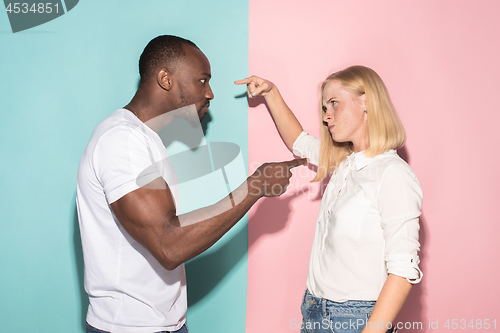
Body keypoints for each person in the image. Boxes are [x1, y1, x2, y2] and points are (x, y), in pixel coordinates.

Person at [76, 35, 306, 333]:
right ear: (165, 79)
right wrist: (255, 187)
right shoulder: (122, 142)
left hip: (160, 324)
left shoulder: (142, 140)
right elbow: (169, 245)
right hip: (130, 328)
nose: (210, 93)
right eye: (202, 81)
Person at [236, 66, 423, 333]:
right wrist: (271, 92)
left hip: (355, 320)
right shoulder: (344, 163)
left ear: (367, 102)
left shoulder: (393, 175)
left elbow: (403, 272)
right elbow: (299, 141)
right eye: (324, 108)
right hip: (314, 309)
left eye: (334, 103)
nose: (326, 116)